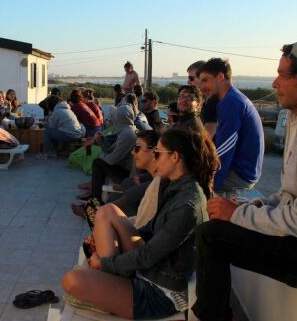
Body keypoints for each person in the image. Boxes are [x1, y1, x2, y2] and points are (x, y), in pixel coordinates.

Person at [192, 39, 297, 321]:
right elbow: (290, 195)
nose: (274, 83)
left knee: (211, 237)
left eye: (283, 75)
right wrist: (260, 204)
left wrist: (238, 213)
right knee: (216, 227)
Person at [62, 129, 218, 319]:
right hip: (152, 270)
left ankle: (106, 280)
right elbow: (149, 232)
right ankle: (109, 279)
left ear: (175, 157)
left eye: (158, 153)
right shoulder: (173, 186)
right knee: (107, 211)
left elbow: (147, 256)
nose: (154, 157)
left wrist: (105, 262)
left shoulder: (187, 206)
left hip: (160, 292)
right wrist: (111, 244)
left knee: (71, 281)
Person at [197, 58, 264, 192]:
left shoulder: (231, 103)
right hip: (240, 170)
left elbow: (225, 149)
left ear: (221, 77)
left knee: (188, 185)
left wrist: (211, 186)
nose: (201, 86)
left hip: (239, 175)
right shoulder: (230, 99)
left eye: (205, 80)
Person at [73, 103, 137, 206]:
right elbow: (110, 150)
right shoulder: (127, 130)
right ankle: (93, 195)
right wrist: (101, 141)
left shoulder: (127, 134)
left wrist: (101, 156)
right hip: (125, 168)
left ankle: (95, 200)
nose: (113, 119)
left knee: (98, 163)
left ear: (120, 118)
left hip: (125, 173)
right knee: (99, 162)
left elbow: (111, 160)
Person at [188, 60, 218, 137]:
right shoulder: (208, 100)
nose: (188, 82)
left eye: (191, 78)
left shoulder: (213, 101)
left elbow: (207, 137)